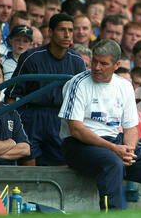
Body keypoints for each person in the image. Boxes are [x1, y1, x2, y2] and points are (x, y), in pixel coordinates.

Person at [58, 39, 141, 211]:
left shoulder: (124, 86)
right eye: (95, 61)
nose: (97, 67)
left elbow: (131, 128)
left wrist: (129, 150)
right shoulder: (78, 83)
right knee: (113, 162)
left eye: (103, 63)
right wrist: (114, 149)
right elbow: (76, 129)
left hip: (114, 142)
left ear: (117, 65)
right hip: (79, 145)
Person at [5, 13, 86, 166]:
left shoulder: (77, 61)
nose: (67, 34)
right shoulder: (32, 57)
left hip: (60, 118)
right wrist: (14, 124)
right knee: (29, 167)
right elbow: (11, 94)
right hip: (31, 117)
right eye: (62, 30)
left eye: (70, 30)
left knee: (61, 167)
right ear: (50, 32)